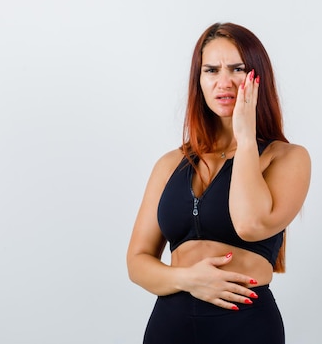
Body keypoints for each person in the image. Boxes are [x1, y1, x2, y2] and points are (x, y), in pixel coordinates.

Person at [126, 22, 311, 344]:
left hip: (244, 327)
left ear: (257, 77)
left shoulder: (286, 158)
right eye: (211, 70)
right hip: (169, 326)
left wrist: (245, 138)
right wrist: (188, 279)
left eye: (237, 68)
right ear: (198, 80)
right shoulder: (170, 163)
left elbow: (250, 225)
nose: (223, 82)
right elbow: (137, 262)